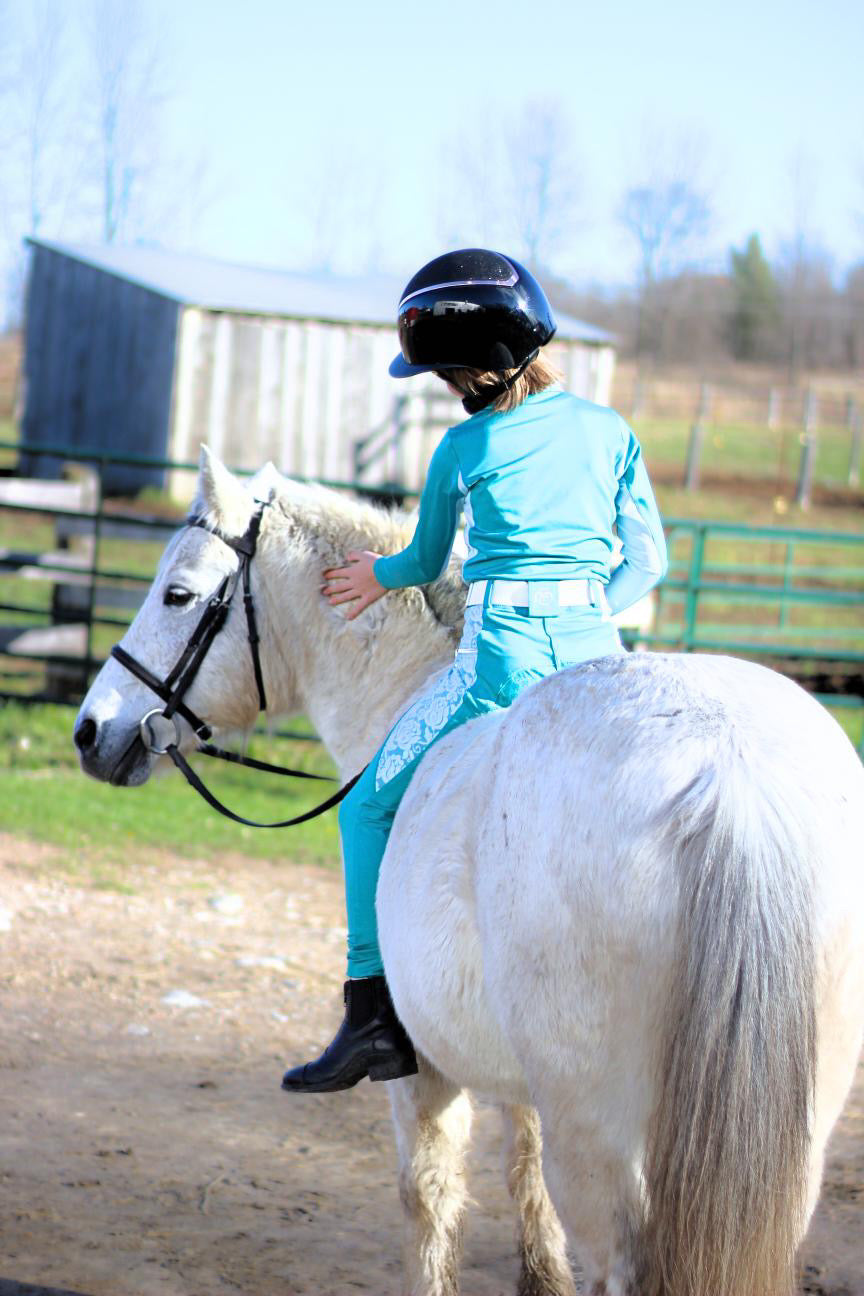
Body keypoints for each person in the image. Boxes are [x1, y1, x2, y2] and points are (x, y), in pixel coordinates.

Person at [281, 248, 668, 1094]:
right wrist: (588, 609)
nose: (449, 390)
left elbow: (422, 560)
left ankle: (371, 1015)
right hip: (598, 660)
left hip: (498, 666)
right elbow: (650, 559)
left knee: (367, 804)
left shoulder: (463, 448)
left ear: (472, 372)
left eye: (449, 374)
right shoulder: (611, 432)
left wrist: (370, 575)